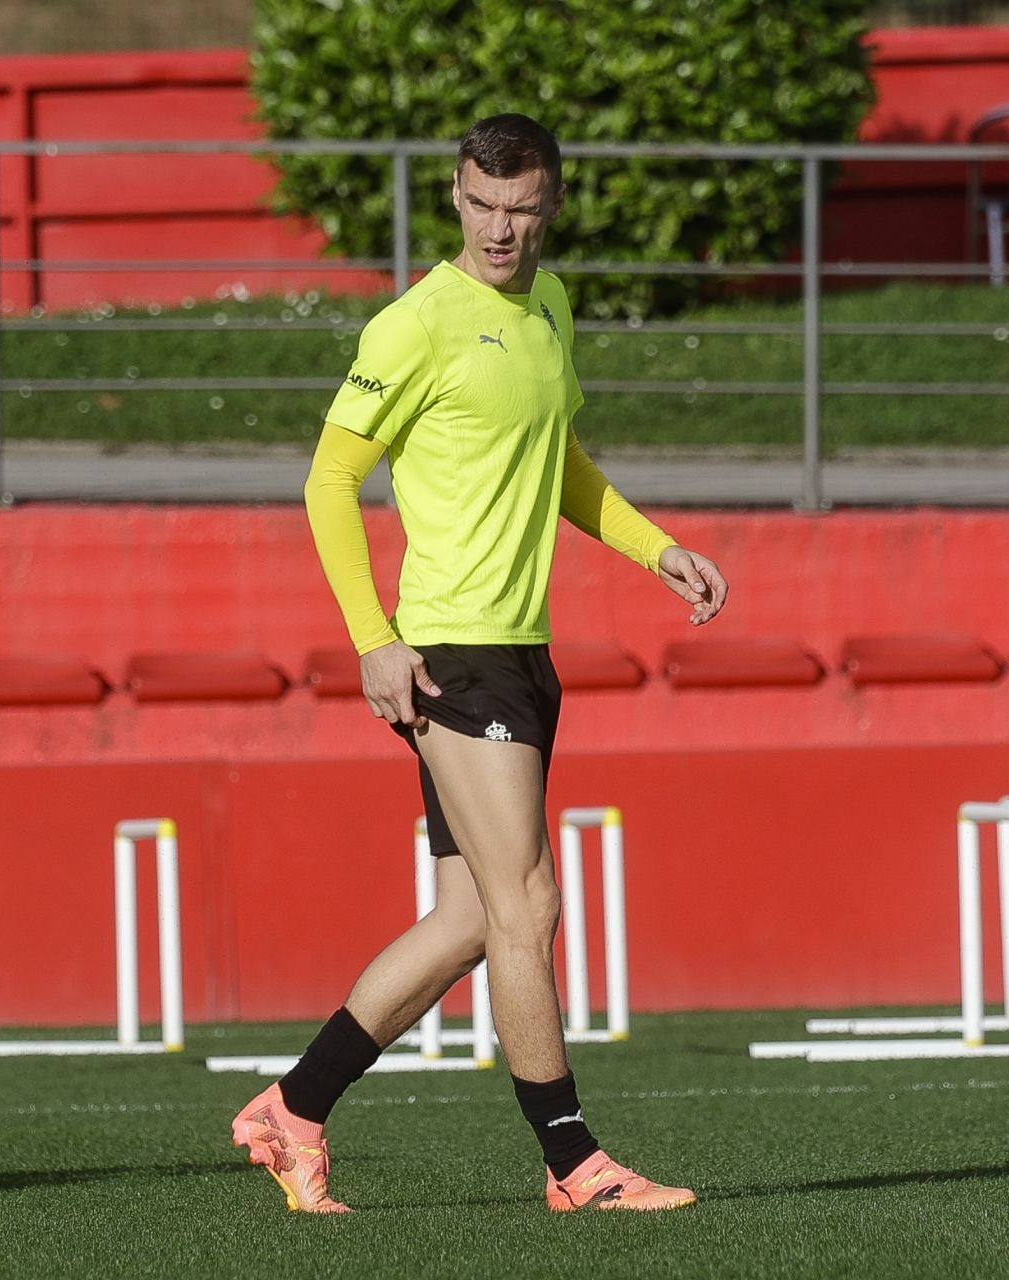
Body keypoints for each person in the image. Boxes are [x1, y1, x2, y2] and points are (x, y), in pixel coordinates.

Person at [232, 112, 729, 1215]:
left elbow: (562, 466)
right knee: (528, 904)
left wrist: (660, 549)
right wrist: (373, 636)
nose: (501, 226)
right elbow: (327, 480)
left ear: (551, 204)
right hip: (451, 652)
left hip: (523, 651)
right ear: (455, 196)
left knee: (469, 920)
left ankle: (292, 1108)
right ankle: (574, 1163)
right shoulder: (415, 325)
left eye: (522, 206)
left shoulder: (546, 308)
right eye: (481, 203)